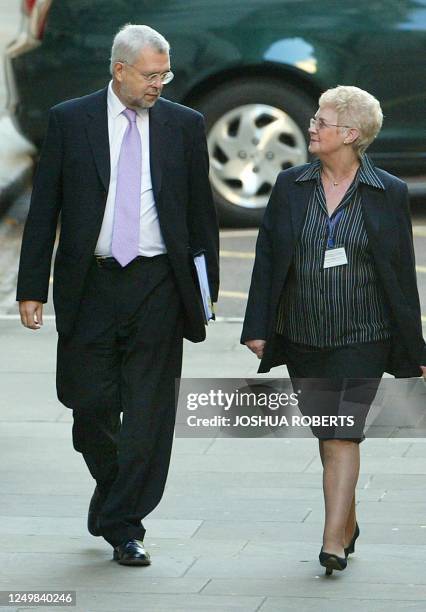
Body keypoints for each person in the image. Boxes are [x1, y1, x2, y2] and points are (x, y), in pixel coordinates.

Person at [17, 24, 219, 566]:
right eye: (151, 75)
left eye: (165, 74)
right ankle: (114, 493)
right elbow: (45, 210)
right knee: (89, 403)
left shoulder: (184, 125)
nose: (160, 84)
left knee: (150, 411)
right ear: (119, 70)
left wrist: (206, 293)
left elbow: (202, 217)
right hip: (92, 282)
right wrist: (31, 287)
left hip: (158, 282)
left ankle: (126, 525)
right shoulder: (70, 119)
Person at [241, 85, 426, 575]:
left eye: (321, 122)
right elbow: (267, 258)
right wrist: (258, 324)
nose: (312, 127)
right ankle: (347, 517)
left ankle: (331, 542)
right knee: (328, 434)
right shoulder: (291, 185)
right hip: (304, 334)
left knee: (343, 434)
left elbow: (401, 273)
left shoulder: (387, 191)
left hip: (363, 335)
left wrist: (414, 345)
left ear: (351, 134)